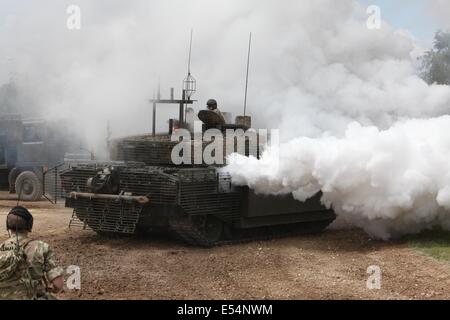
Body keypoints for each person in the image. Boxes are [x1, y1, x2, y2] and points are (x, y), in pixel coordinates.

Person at [0, 206, 65, 300]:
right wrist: (49, 290)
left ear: (8, 225)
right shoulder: (42, 247)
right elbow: (58, 284)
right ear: (30, 225)